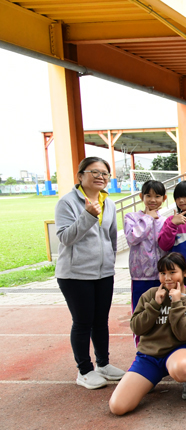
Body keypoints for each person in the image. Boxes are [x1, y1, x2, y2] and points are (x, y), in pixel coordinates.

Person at [55, 156, 125, 389]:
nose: (100, 177)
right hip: (75, 274)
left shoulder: (110, 203)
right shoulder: (67, 203)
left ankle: (103, 364)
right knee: (83, 321)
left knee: (100, 321)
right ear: (80, 176)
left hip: (103, 273)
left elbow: (111, 237)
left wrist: (110, 262)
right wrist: (88, 215)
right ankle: (84, 370)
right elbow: (65, 237)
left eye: (105, 173)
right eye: (94, 172)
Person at [108, 253, 186, 415]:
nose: (167, 278)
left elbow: (184, 335)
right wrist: (154, 305)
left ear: (185, 273)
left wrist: (177, 303)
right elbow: (137, 328)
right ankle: (151, 378)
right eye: (162, 273)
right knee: (118, 407)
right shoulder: (149, 295)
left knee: (183, 369)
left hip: (179, 351)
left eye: (172, 272)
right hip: (149, 356)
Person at [124, 179, 167, 313]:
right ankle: (139, 335)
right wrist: (148, 218)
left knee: (162, 314)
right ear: (141, 197)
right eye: (148, 195)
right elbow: (132, 238)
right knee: (141, 312)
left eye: (157, 196)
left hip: (163, 277)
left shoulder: (166, 221)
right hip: (140, 276)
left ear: (164, 198)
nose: (152, 200)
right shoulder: (131, 217)